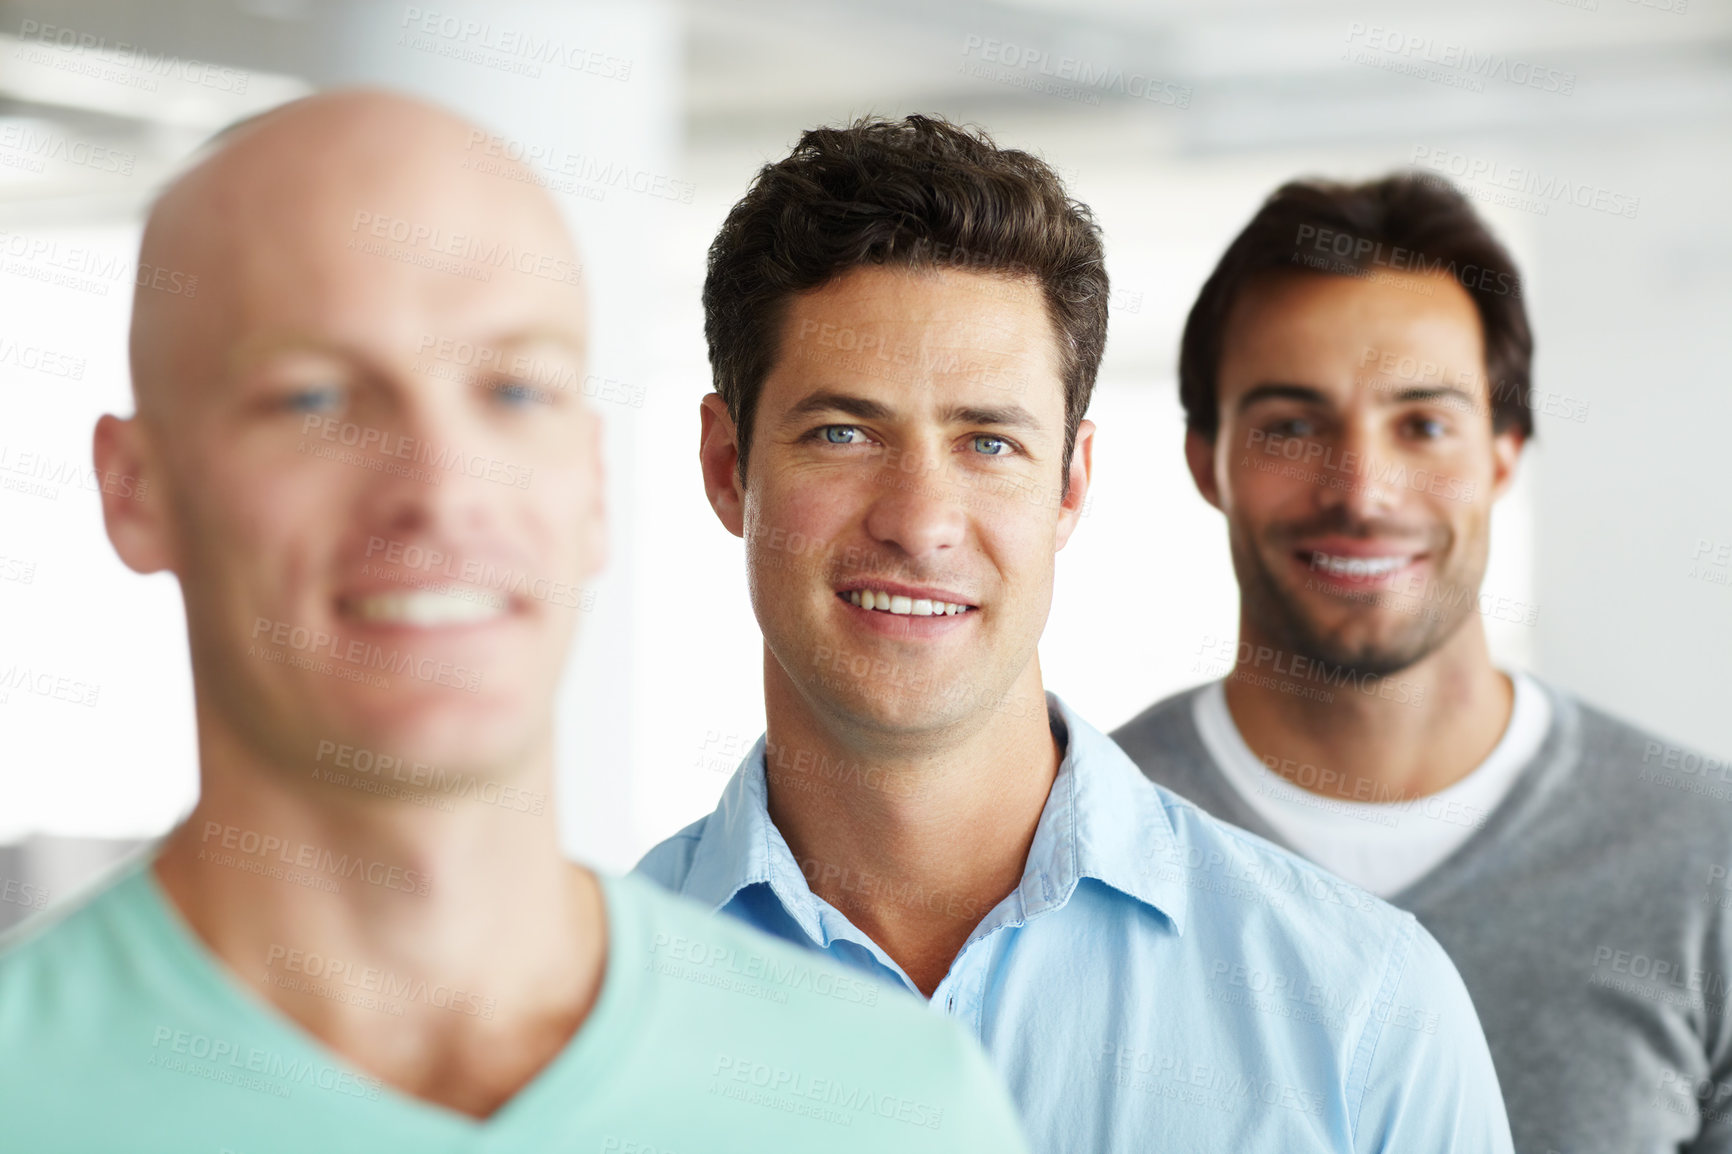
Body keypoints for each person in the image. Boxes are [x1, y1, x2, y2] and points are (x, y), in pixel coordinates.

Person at [0, 89, 1029, 1154]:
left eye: (513, 390)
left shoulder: (893, 1103)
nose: (442, 486)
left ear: (590, 480)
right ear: (136, 490)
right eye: (312, 397)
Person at [636, 115, 1514, 1153]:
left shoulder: (1362, 1007)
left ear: (1071, 483)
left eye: (989, 440)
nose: (919, 519)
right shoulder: (553, 1014)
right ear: (728, 465)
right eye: (844, 432)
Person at [1112, 172, 1732, 1153]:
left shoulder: (1706, 857)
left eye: (1424, 422)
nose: (1362, 489)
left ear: (1503, 450)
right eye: (1291, 423)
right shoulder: (1076, 844)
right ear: (1204, 457)